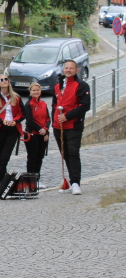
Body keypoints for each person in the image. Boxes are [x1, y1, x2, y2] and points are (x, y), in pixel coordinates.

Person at [52, 59, 90, 195]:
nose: (68, 70)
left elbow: (85, 105)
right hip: (58, 126)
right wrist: (54, 120)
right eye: (66, 68)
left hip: (73, 126)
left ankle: (75, 183)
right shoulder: (58, 86)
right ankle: (70, 181)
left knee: (73, 153)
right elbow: (54, 105)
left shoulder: (82, 85)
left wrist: (67, 116)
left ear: (76, 70)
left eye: (71, 68)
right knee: (65, 154)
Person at [0, 75, 25, 190]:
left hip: (12, 129)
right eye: (1, 80)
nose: (4, 81)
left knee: (5, 156)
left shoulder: (16, 97)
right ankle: (2, 180)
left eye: (6, 79)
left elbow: (23, 113)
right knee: (1, 156)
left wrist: (15, 121)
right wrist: (2, 121)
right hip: (0, 128)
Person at [23, 82, 50, 185]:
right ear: (30, 91)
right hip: (32, 134)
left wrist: (45, 129)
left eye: (37, 90)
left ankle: (37, 179)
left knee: (40, 157)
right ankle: (31, 180)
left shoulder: (43, 104)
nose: (36, 92)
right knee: (32, 158)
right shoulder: (28, 104)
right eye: (34, 90)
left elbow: (48, 118)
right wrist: (40, 129)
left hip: (42, 134)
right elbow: (30, 121)